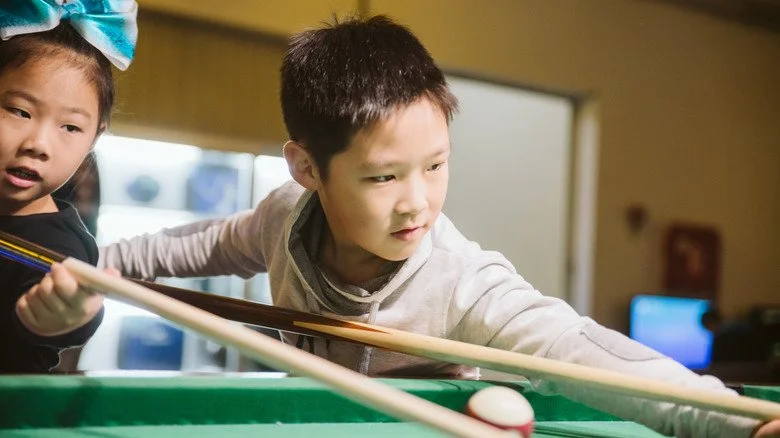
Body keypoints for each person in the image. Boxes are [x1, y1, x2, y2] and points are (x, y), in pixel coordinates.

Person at [100, 15, 780, 438]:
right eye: (383, 177)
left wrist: (731, 420)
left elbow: (584, 349)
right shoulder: (281, 216)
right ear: (307, 168)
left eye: (435, 165)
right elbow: (201, 244)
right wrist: (105, 265)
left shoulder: (465, 285)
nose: (417, 203)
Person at [0, 0, 137, 373]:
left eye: (71, 127)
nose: (38, 144)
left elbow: (61, 296)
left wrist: (68, 315)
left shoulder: (63, 242)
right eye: (19, 111)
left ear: (94, 139)